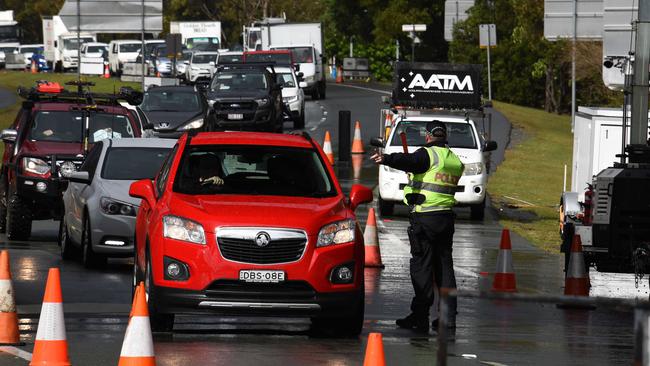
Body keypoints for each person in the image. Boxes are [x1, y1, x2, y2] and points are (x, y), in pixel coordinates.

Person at [371, 120, 464, 333]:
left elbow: (410, 160)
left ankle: (420, 318)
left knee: (422, 268)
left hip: (425, 219)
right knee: (445, 269)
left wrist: (386, 158)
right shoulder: (453, 160)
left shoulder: (427, 154)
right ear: (444, 136)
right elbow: (427, 175)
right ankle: (448, 320)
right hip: (446, 218)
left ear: (428, 136)